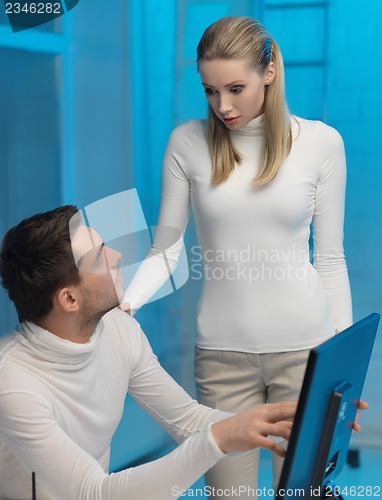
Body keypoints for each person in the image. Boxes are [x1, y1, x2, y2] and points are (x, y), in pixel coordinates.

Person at [120, 16, 353, 497]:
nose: (222, 106)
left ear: (269, 71)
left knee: (302, 493)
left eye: (235, 88)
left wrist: (343, 370)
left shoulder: (322, 143)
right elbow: (165, 249)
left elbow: (330, 259)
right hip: (222, 360)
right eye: (209, 91)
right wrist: (127, 304)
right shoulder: (187, 142)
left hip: (306, 355)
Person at [0, 205, 298, 500]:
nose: (115, 257)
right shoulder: (12, 382)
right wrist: (216, 441)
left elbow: (189, 421)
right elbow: (93, 492)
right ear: (69, 298)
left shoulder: (118, 328)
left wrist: (295, 424)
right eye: (98, 256)